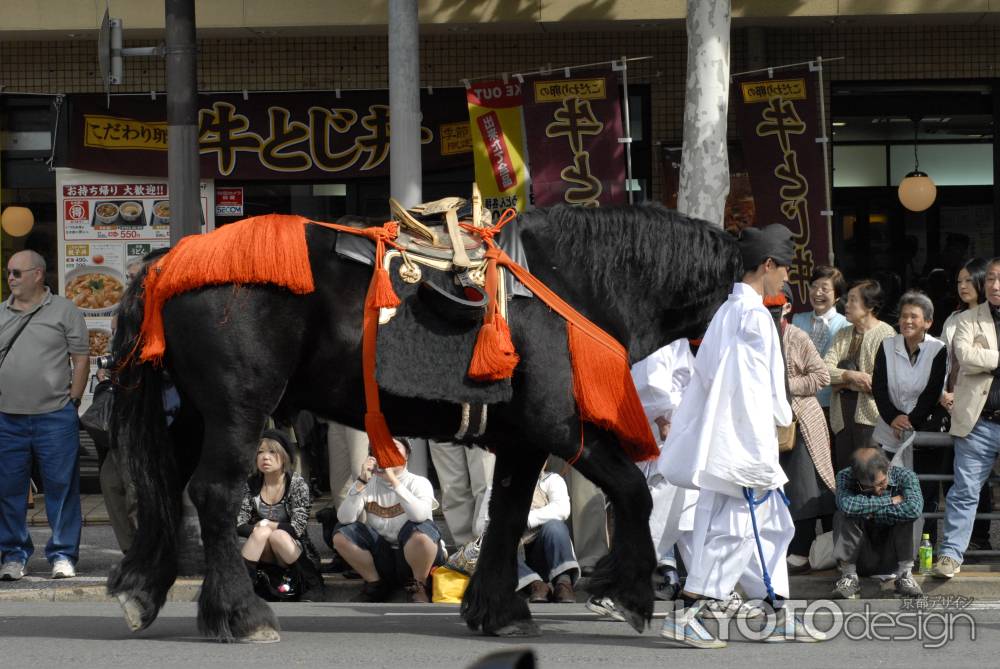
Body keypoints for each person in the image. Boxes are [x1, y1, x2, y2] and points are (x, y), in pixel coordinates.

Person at [657, 224, 826, 648]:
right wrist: (756, 456)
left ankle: (773, 610)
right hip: (743, 446)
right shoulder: (751, 316)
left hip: (730, 443)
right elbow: (748, 392)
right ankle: (690, 610)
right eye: (784, 268)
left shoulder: (730, 312)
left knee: (771, 526)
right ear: (767, 265)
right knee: (735, 530)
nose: (787, 276)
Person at [0, 250, 89, 581]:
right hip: (7, 417)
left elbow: (81, 357)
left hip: (55, 416)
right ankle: (13, 553)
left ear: (37, 275)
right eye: (9, 272)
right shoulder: (1, 313)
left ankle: (63, 553)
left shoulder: (64, 310)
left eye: (17, 273)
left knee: (61, 487)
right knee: (8, 489)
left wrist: (74, 400)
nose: (11, 278)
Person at [933, 257, 1000, 578]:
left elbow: (978, 358)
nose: (995, 285)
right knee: (964, 491)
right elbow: (965, 355)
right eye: (990, 279)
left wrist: (986, 359)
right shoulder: (967, 319)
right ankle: (950, 555)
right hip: (979, 421)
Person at [870, 291, 947, 549]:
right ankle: (891, 551)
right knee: (888, 491)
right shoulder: (887, 346)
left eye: (914, 316)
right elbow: (878, 387)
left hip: (923, 431)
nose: (907, 321)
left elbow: (932, 391)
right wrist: (893, 418)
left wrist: (910, 421)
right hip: (889, 431)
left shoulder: (938, 349)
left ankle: (925, 550)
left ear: (928, 322)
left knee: (924, 494)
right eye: (904, 316)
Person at [770, 284, 835, 575]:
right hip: (768, 424)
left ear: (786, 307)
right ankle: (784, 547)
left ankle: (802, 548)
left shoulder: (796, 336)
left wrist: (785, 387)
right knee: (778, 486)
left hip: (800, 422)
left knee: (804, 485)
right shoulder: (755, 336)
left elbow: (821, 376)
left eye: (775, 304)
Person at [333, 438, 445, 603]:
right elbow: (345, 517)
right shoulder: (366, 483)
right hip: (384, 557)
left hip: (417, 558)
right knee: (342, 534)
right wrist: (361, 481)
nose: (387, 452)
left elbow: (420, 516)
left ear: (407, 455)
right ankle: (375, 585)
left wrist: (394, 481)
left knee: (421, 531)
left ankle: (419, 586)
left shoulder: (419, 482)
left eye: (395, 448)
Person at [237, 430, 324, 600]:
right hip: (263, 550)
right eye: (260, 452)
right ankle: (242, 589)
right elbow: (239, 524)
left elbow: (297, 528)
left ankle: (313, 583)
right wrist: (263, 529)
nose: (265, 457)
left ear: (284, 456)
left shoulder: (296, 484)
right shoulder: (250, 484)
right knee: (262, 532)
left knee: (277, 535)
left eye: (272, 452)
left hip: (291, 550)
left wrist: (268, 524)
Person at [474, 469, 579, 604]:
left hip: (542, 553)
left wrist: (524, 519)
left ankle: (563, 583)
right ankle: (535, 585)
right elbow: (480, 526)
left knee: (555, 527)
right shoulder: (498, 484)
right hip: (513, 557)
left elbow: (562, 509)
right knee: (493, 540)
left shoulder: (551, 480)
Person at [823, 280, 896, 472]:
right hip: (842, 417)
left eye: (853, 300)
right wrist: (850, 376)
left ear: (870, 306)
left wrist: (840, 383)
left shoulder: (886, 334)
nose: (846, 305)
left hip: (872, 419)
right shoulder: (843, 334)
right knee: (845, 474)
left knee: (871, 474)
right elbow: (823, 371)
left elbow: (880, 382)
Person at [831, 447, 924, 599]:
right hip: (860, 555)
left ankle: (905, 575)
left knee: (914, 517)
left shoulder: (905, 476)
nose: (876, 491)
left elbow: (914, 509)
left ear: (888, 468)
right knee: (842, 515)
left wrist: (871, 512)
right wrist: (890, 500)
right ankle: (849, 576)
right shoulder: (845, 476)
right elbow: (847, 505)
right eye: (867, 487)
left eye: (881, 483)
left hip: (894, 553)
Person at [792, 265, 850, 413]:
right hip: (799, 400)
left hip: (831, 402)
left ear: (837, 295)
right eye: (814, 286)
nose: (817, 292)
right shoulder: (798, 320)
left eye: (825, 289)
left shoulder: (845, 325)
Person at [429, 440, 495, 546]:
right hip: (440, 426)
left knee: (486, 485)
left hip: (483, 425)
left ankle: (488, 546)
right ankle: (466, 552)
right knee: (451, 491)